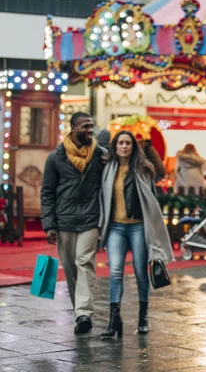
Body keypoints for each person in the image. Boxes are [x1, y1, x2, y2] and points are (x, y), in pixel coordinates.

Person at [99, 131, 175, 338]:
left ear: (133, 147)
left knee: (140, 272)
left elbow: (151, 199)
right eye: (120, 143)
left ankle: (143, 317)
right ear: (115, 146)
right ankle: (114, 320)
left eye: (128, 143)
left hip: (138, 227)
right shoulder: (107, 168)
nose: (124, 146)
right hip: (115, 227)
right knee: (115, 271)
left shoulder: (143, 169)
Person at [41, 112, 106, 334]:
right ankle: (79, 311)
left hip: (90, 219)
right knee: (70, 269)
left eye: (91, 126)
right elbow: (47, 192)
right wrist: (49, 224)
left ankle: (84, 313)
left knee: (84, 262)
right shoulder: (56, 158)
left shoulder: (100, 156)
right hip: (64, 221)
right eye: (85, 126)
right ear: (73, 128)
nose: (90, 130)